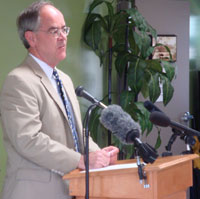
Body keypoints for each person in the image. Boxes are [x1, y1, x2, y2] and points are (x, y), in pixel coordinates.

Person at [0, 1, 119, 199]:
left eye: (64, 29)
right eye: (54, 31)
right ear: (31, 38)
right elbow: (28, 139)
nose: (63, 37)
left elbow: (75, 131)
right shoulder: (19, 80)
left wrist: (99, 156)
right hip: (35, 193)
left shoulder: (64, 79)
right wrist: (81, 160)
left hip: (71, 189)